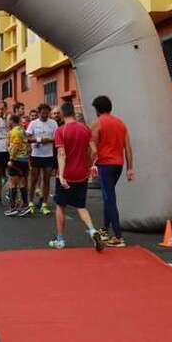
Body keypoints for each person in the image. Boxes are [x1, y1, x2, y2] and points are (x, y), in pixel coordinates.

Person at [49, 101, 104, 252]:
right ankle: (92, 230)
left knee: (60, 206)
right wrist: (88, 165)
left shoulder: (61, 131)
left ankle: (60, 239)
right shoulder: (85, 129)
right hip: (82, 174)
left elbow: (61, 154)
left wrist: (61, 175)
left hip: (67, 174)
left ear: (62, 114)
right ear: (73, 112)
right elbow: (94, 151)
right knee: (81, 206)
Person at [89, 96, 134, 248]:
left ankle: (119, 237)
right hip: (118, 165)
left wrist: (90, 164)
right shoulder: (120, 123)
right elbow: (128, 148)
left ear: (97, 109)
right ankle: (104, 229)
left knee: (109, 199)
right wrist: (130, 168)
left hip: (105, 165)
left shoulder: (97, 123)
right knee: (107, 196)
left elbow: (93, 146)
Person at [26, 104, 58, 216]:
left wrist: (49, 140)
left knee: (46, 180)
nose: (44, 115)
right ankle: (30, 202)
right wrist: (39, 140)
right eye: (42, 113)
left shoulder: (53, 123)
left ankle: (44, 204)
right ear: (39, 113)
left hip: (48, 155)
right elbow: (27, 138)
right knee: (34, 179)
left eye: (46, 113)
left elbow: (57, 138)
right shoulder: (33, 123)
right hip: (36, 155)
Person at [5, 114, 31, 217]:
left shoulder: (14, 131)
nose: (7, 122)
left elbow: (15, 146)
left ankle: (13, 208)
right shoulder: (22, 130)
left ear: (12, 121)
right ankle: (25, 206)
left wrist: (11, 159)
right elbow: (27, 144)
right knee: (22, 183)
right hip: (24, 159)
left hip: (17, 160)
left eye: (8, 120)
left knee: (12, 183)